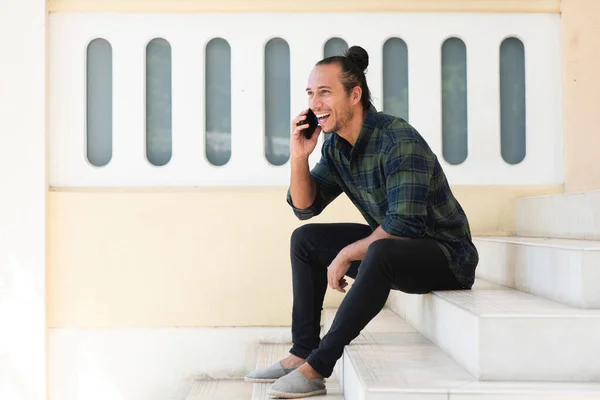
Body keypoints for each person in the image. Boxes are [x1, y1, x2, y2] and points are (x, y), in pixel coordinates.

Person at [245, 45, 479, 398]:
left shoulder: (397, 139)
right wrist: (298, 156)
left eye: (325, 92)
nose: (315, 103)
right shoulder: (336, 147)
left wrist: (347, 254)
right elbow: (305, 206)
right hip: (393, 249)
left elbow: (405, 226)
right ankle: (301, 352)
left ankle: (318, 367)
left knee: (380, 250)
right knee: (305, 239)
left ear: (354, 95)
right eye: (311, 93)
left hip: (446, 258)